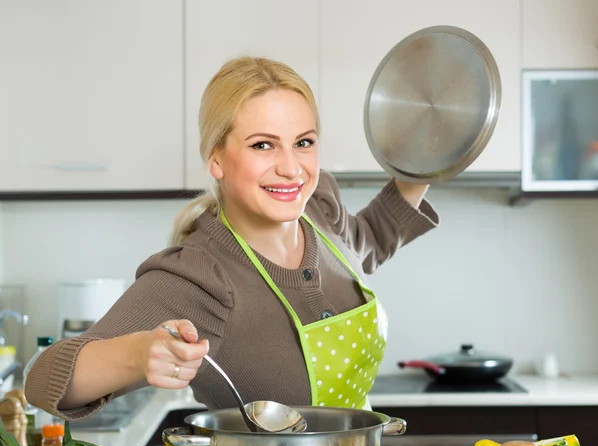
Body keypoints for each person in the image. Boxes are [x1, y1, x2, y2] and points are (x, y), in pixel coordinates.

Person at [24, 56, 439, 421]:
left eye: (304, 143)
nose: (292, 169)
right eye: (263, 145)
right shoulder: (201, 277)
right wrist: (137, 355)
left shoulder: (319, 211)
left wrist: (427, 150)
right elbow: (43, 380)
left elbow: (369, 239)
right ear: (217, 159)